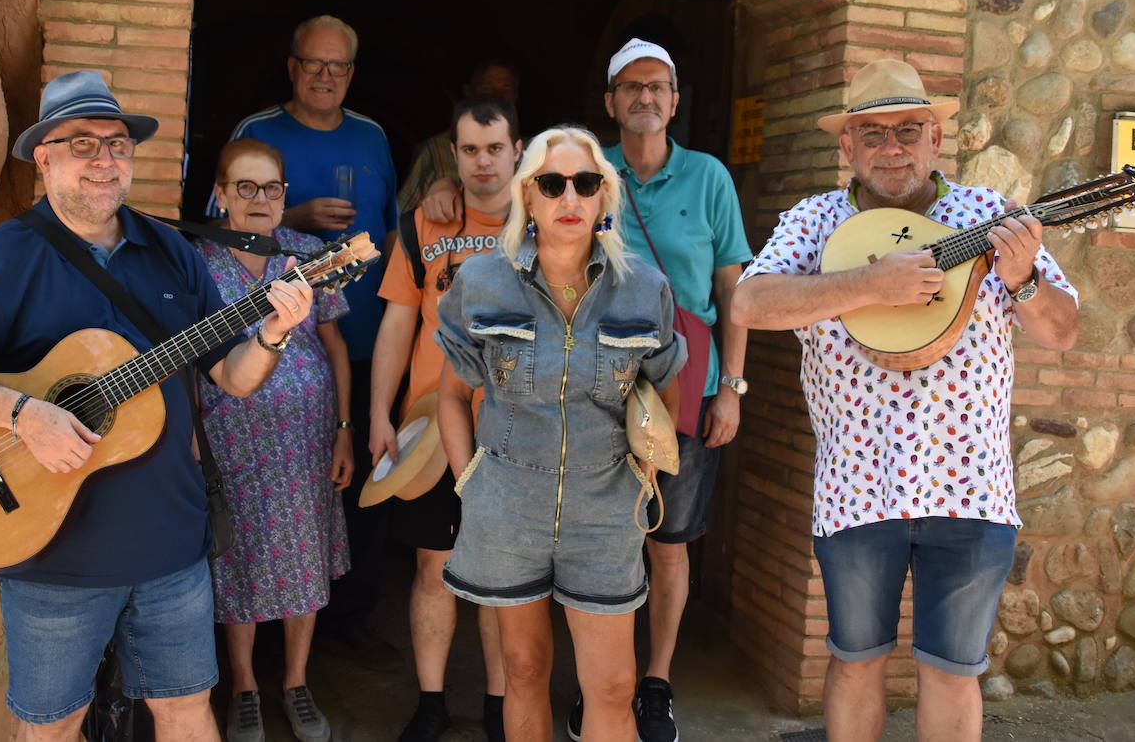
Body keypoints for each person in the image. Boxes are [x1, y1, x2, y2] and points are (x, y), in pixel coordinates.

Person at [0, 70, 314, 742]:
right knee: (52, 728)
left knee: (188, 715)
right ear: (43, 156)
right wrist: (22, 414)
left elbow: (232, 374)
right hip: (55, 558)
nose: (105, 160)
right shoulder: (1, 259)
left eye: (117, 145)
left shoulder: (171, 252)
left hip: (171, 546)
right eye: (83, 144)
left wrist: (275, 333)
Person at [730, 59, 1079, 742]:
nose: (892, 148)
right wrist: (868, 286)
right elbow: (749, 301)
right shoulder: (815, 221)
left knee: (953, 671)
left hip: (972, 491)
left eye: (908, 131)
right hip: (857, 488)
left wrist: (1025, 278)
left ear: (936, 140)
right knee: (856, 662)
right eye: (874, 134)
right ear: (848, 148)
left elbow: (1063, 332)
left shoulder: (992, 218)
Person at [434, 125, 686, 742]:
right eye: (552, 184)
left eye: (585, 183)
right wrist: (471, 480)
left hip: (604, 505)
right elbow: (450, 393)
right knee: (524, 667)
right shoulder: (483, 280)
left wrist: (646, 468)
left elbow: (663, 389)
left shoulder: (644, 287)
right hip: (507, 500)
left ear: (605, 195)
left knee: (612, 684)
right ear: (529, 195)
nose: (569, 198)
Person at [209, 14, 401, 665]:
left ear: (351, 73)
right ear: (292, 67)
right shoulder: (257, 132)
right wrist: (295, 218)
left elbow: (395, 233)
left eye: (338, 66)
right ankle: (250, 658)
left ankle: (350, 620)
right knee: (251, 520)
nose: (325, 76)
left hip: (368, 337)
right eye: (314, 64)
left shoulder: (373, 138)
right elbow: (219, 222)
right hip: (259, 364)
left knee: (360, 488)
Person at [577, 37, 752, 742]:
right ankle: (602, 686)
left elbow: (734, 286)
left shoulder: (709, 177)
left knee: (668, 545)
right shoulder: (588, 175)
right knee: (601, 543)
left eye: (659, 87)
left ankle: (656, 681)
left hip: (686, 388)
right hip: (597, 390)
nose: (646, 97)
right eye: (632, 87)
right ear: (611, 102)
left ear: (675, 101)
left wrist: (732, 388)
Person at [369, 95, 521, 742]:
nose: (483, 162)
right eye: (469, 150)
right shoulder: (423, 224)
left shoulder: (552, 218)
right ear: (452, 155)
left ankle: (498, 705)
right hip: (430, 425)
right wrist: (378, 413)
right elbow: (399, 322)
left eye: (495, 148)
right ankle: (431, 702)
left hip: (517, 432)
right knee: (434, 566)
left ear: (519, 149)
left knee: (503, 578)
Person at [200, 137, 354, 742]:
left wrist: (344, 431)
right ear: (220, 194)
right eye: (245, 187)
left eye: (271, 188)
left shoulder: (308, 254)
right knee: (237, 559)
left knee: (303, 557)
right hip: (231, 442)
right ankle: (243, 685)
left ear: (284, 195)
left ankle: (295, 682)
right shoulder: (199, 260)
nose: (259, 199)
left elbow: (336, 348)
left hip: (306, 441)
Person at [397, 59, 521, 213]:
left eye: (506, 88)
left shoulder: (535, 153)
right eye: (487, 87)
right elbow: (399, 220)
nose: (496, 95)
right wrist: (442, 187)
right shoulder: (434, 150)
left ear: (516, 150)